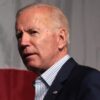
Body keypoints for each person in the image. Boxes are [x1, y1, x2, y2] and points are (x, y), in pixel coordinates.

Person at [15, 3, 100, 100]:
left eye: (33, 32)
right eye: (19, 36)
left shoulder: (88, 81)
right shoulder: (40, 88)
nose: (23, 42)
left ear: (61, 38)